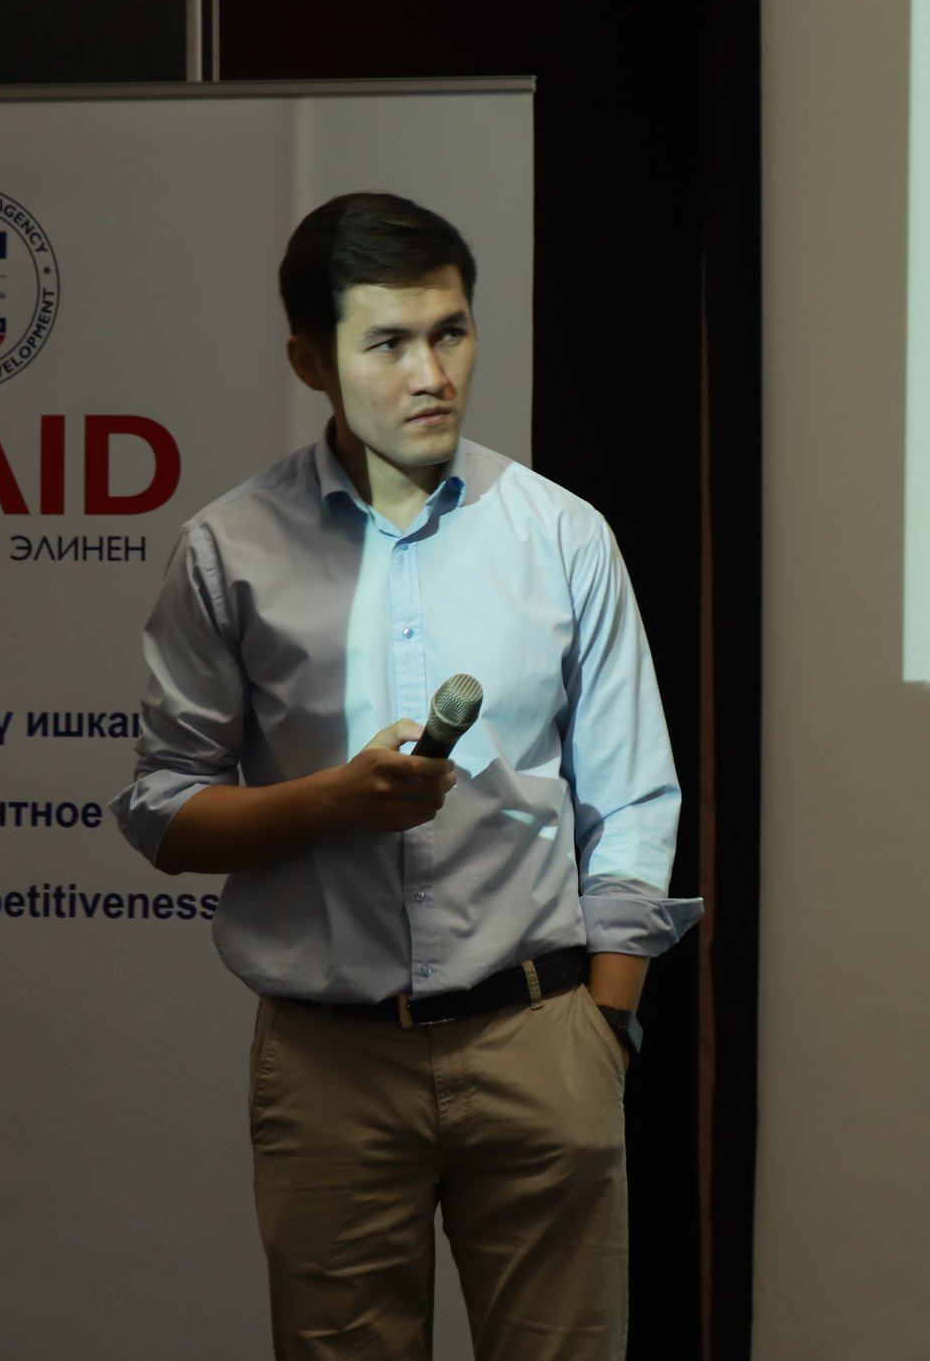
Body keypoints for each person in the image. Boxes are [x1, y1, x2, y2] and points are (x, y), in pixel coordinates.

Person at [108, 191, 701, 1360]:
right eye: (388, 342)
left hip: (539, 1039)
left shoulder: (561, 535)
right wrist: (329, 803)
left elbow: (633, 799)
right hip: (329, 1060)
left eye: (451, 332)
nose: (432, 374)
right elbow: (163, 812)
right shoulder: (231, 549)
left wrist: (607, 1028)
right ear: (310, 362)